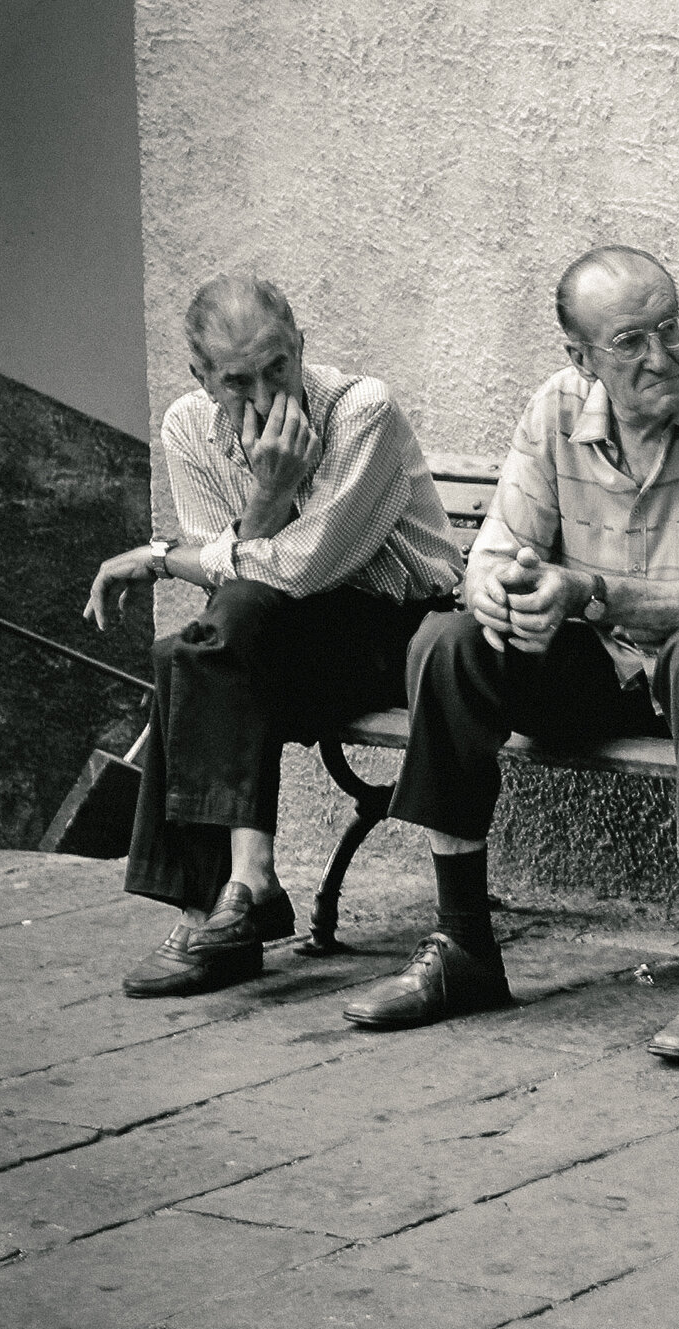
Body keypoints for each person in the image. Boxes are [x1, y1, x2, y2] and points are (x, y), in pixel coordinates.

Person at [347, 246, 679, 1062]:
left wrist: (589, 593)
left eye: (671, 326)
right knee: (449, 641)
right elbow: (492, 559)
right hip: (617, 672)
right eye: (632, 340)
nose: (662, 353)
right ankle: (463, 942)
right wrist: (507, 595)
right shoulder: (555, 408)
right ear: (581, 357)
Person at [87, 275, 462, 997]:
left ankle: (212, 911)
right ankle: (244, 887)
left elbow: (303, 566)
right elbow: (240, 583)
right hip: (275, 638)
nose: (263, 396)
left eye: (277, 367)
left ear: (301, 347)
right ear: (200, 376)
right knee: (198, 646)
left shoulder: (362, 412)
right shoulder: (187, 427)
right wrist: (271, 494)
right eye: (236, 380)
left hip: (396, 635)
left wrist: (163, 557)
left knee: (203, 645)